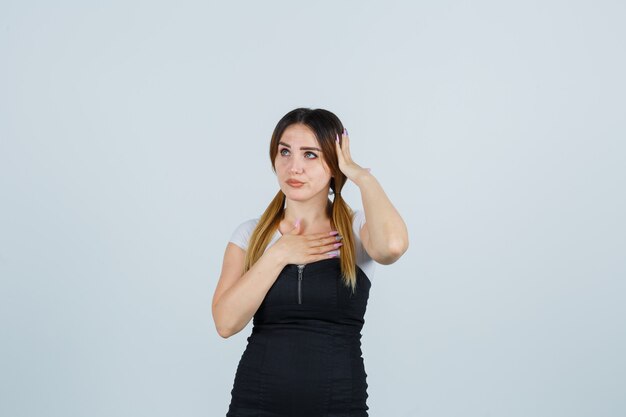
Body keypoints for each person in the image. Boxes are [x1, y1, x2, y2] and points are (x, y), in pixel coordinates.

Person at [212, 108, 409, 417]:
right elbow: (225, 323)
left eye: (311, 155)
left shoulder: (356, 230)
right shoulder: (250, 235)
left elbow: (393, 247)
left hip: (339, 406)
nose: (294, 167)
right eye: (285, 152)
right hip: (255, 405)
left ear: (334, 162)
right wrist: (279, 254)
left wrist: (361, 176)